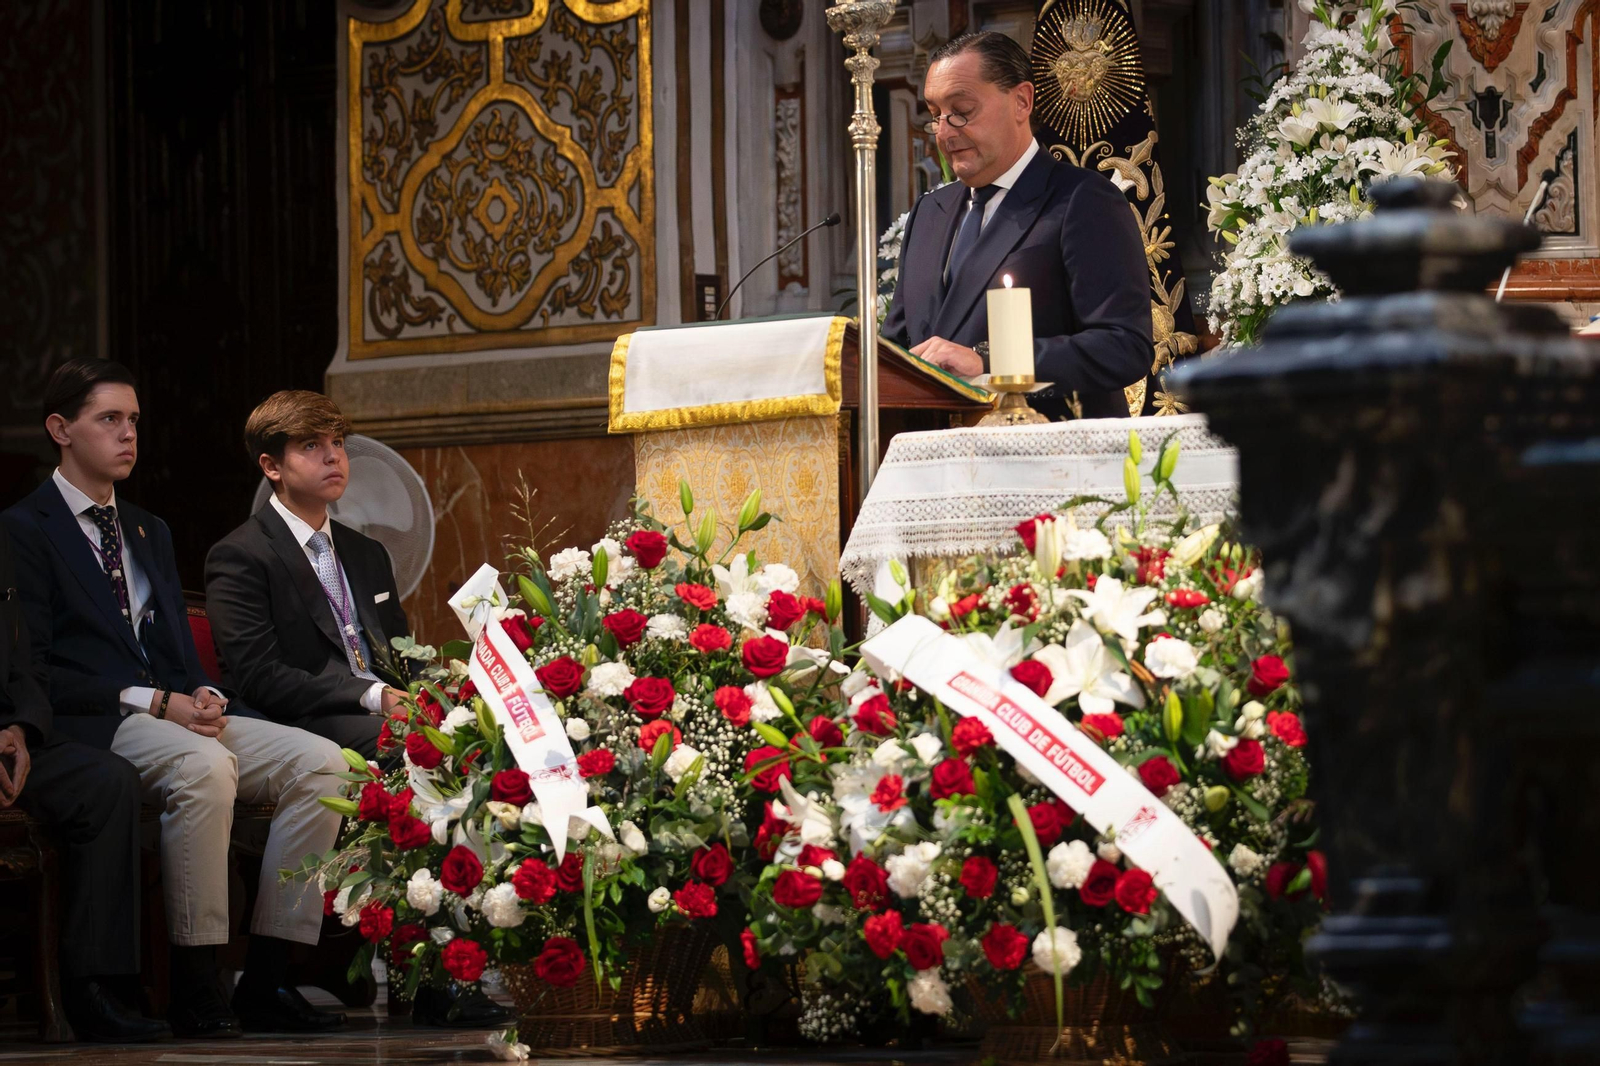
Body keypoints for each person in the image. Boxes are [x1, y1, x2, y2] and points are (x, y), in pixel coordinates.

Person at [2, 359, 349, 1036]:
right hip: (95, 719)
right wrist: (157, 702)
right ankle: (199, 981)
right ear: (60, 430)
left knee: (325, 764)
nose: (128, 434)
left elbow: (179, 657)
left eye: (133, 420)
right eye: (109, 419)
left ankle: (271, 970)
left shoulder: (146, 528)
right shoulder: (22, 528)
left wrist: (202, 692)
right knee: (203, 768)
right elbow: (35, 669)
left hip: (171, 710)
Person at [204, 389, 510, 1029]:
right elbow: (258, 674)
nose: (333, 458)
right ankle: (280, 979)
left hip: (374, 713)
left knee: (475, 743)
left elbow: (393, 655)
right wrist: (372, 695)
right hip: (289, 722)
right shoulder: (241, 553)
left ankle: (432, 973)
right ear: (271, 466)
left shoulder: (365, 552)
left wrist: (446, 683)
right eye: (311, 446)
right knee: (409, 754)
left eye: (337, 443)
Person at [881, 31, 1153, 420]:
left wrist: (989, 361)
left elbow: (1123, 347)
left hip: (1046, 456)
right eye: (935, 115)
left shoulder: (1082, 200)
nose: (944, 131)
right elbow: (898, 349)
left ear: (1021, 101)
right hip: (934, 461)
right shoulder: (929, 212)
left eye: (961, 110)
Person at [0, 526, 167, 1043]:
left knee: (108, 779)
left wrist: (20, 729)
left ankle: (95, 986)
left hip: (12, 739)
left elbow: (24, 662)